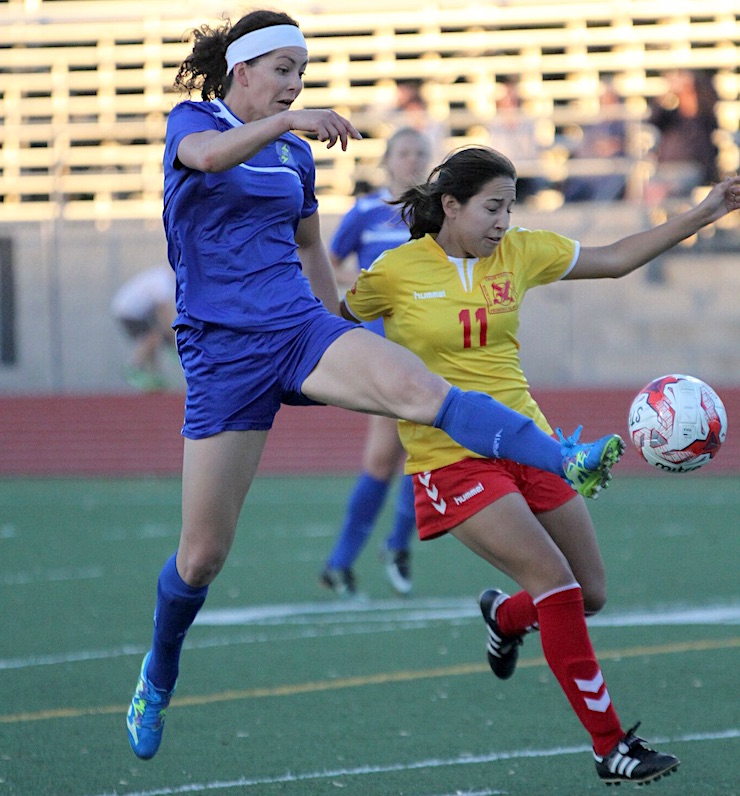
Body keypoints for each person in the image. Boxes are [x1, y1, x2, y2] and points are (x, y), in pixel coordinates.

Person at [125, 10, 624, 762]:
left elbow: (306, 242)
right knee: (202, 557)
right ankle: (158, 673)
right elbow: (205, 157)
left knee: (420, 391)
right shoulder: (196, 121)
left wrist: (336, 323)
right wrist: (289, 120)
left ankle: (564, 457)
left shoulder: (294, 155)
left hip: (297, 329)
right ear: (242, 72)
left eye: (303, 70)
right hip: (224, 357)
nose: (296, 81)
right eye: (285, 68)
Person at [341, 145, 740, 785]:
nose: (504, 220)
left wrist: (706, 210)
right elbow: (326, 331)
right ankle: (610, 745)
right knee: (554, 583)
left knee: (591, 593)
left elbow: (613, 260)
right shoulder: (394, 271)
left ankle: (505, 617)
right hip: (450, 460)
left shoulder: (522, 252)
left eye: (510, 207)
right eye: (492, 207)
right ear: (451, 205)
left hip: (533, 443)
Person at [320, 127, 432, 597]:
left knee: (391, 456)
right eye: (404, 153)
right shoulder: (366, 212)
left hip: (427, 343)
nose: (412, 161)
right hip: (381, 347)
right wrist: (365, 284)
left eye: (420, 153)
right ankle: (391, 546)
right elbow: (326, 263)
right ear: (387, 161)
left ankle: (347, 561)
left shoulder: (435, 213)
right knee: (410, 446)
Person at [645, 69, 720, 205]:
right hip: (665, 168)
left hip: (693, 168)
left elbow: (704, 109)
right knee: (649, 188)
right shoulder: (670, 116)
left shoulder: (703, 116)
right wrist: (668, 93)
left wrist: (689, 87)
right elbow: (653, 120)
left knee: (667, 189)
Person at [110, 264, 176, 391]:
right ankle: (134, 367)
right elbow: (164, 312)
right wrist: (171, 337)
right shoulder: (163, 281)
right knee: (153, 336)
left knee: (154, 339)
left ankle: (154, 376)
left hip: (136, 311)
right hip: (128, 310)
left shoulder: (162, 277)